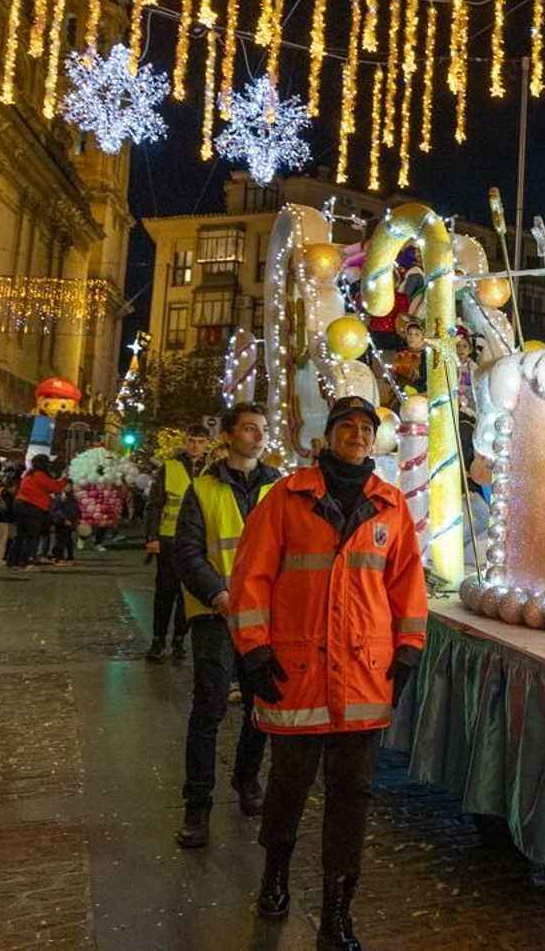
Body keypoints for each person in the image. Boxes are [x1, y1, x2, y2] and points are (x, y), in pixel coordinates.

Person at [228, 397, 428, 950]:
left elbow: (408, 586)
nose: (359, 435)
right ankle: (275, 877)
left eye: (367, 428)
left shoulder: (390, 506)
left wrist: (408, 649)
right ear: (330, 436)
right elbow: (251, 577)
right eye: (349, 427)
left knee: (352, 794)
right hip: (296, 673)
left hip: (364, 679)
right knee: (289, 784)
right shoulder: (286, 498)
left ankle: (339, 911)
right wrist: (254, 651)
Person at [172, 403, 279, 849]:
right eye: (250, 429)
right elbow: (188, 552)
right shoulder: (203, 489)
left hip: (266, 618)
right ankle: (198, 803)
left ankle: (246, 778)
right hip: (216, 615)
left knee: (263, 707)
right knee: (209, 708)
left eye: (263, 430)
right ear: (229, 436)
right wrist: (219, 594)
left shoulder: (280, 489)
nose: (258, 436)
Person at [144, 426, 214, 662]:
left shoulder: (211, 471)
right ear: (185, 442)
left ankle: (179, 639)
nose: (195, 445)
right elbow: (155, 504)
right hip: (169, 539)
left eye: (200, 441)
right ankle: (158, 639)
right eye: (191, 441)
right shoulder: (169, 467)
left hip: (197, 543)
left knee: (189, 595)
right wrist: (152, 537)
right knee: (165, 592)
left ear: (207, 445)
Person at [7, 456, 67, 570]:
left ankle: (13, 561)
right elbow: (54, 487)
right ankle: (25, 562)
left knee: (20, 535)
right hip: (33, 507)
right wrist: (64, 480)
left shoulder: (28, 474)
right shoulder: (40, 475)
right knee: (31, 536)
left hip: (20, 504)